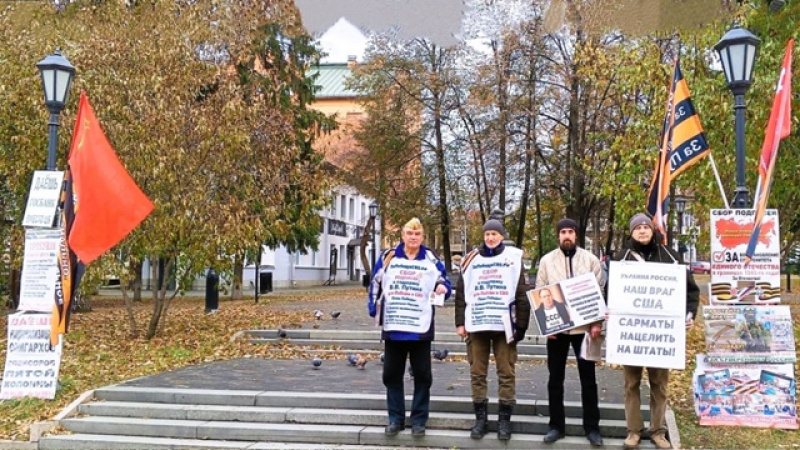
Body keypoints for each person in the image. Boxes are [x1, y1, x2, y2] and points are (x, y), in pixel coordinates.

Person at [615, 213, 699, 449]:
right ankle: (633, 431)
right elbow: (611, 292)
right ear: (631, 233)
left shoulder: (671, 257)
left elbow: (691, 292)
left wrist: (689, 315)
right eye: (637, 228)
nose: (642, 231)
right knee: (631, 384)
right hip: (631, 334)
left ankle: (658, 431)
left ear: (653, 230)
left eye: (645, 227)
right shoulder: (622, 259)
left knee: (659, 385)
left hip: (661, 336)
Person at [367, 218, 451, 437]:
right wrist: (373, 308)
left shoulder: (430, 258)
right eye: (409, 233)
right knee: (391, 375)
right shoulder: (389, 257)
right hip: (394, 326)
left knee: (423, 375)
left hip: (419, 328)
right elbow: (375, 283)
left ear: (421, 237)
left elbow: (444, 281)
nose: (413, 237)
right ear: (403, 235)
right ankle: (395, 418)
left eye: (417, 234)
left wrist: (443, 287)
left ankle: (419, 420)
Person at [454, 216, 531, 441]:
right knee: (477, 373)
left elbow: (521, 294)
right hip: (477, 325)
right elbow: (461, 293)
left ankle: (504, 421)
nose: (490, 237)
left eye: (494, 234)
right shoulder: (471, 260)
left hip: (504, 326)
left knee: (506, 372)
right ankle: (481, 420)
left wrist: (521, 327)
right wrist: (460, 323)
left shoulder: (513, 259)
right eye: (487, 234)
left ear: (502, 237)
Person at [536, 218, 604, 447]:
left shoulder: (590, 260)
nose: (567, 235)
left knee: (589, 380)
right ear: (558, 235)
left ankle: (592, 427)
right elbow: (540, 291)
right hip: (558, 330)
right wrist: (547, 325)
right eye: (563, 231)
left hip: (585, 330)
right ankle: (556, 425)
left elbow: (600, 292)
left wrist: (596, 323)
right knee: (555, 379)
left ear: (576, 235)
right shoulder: (547, 261)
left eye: (570, 232)